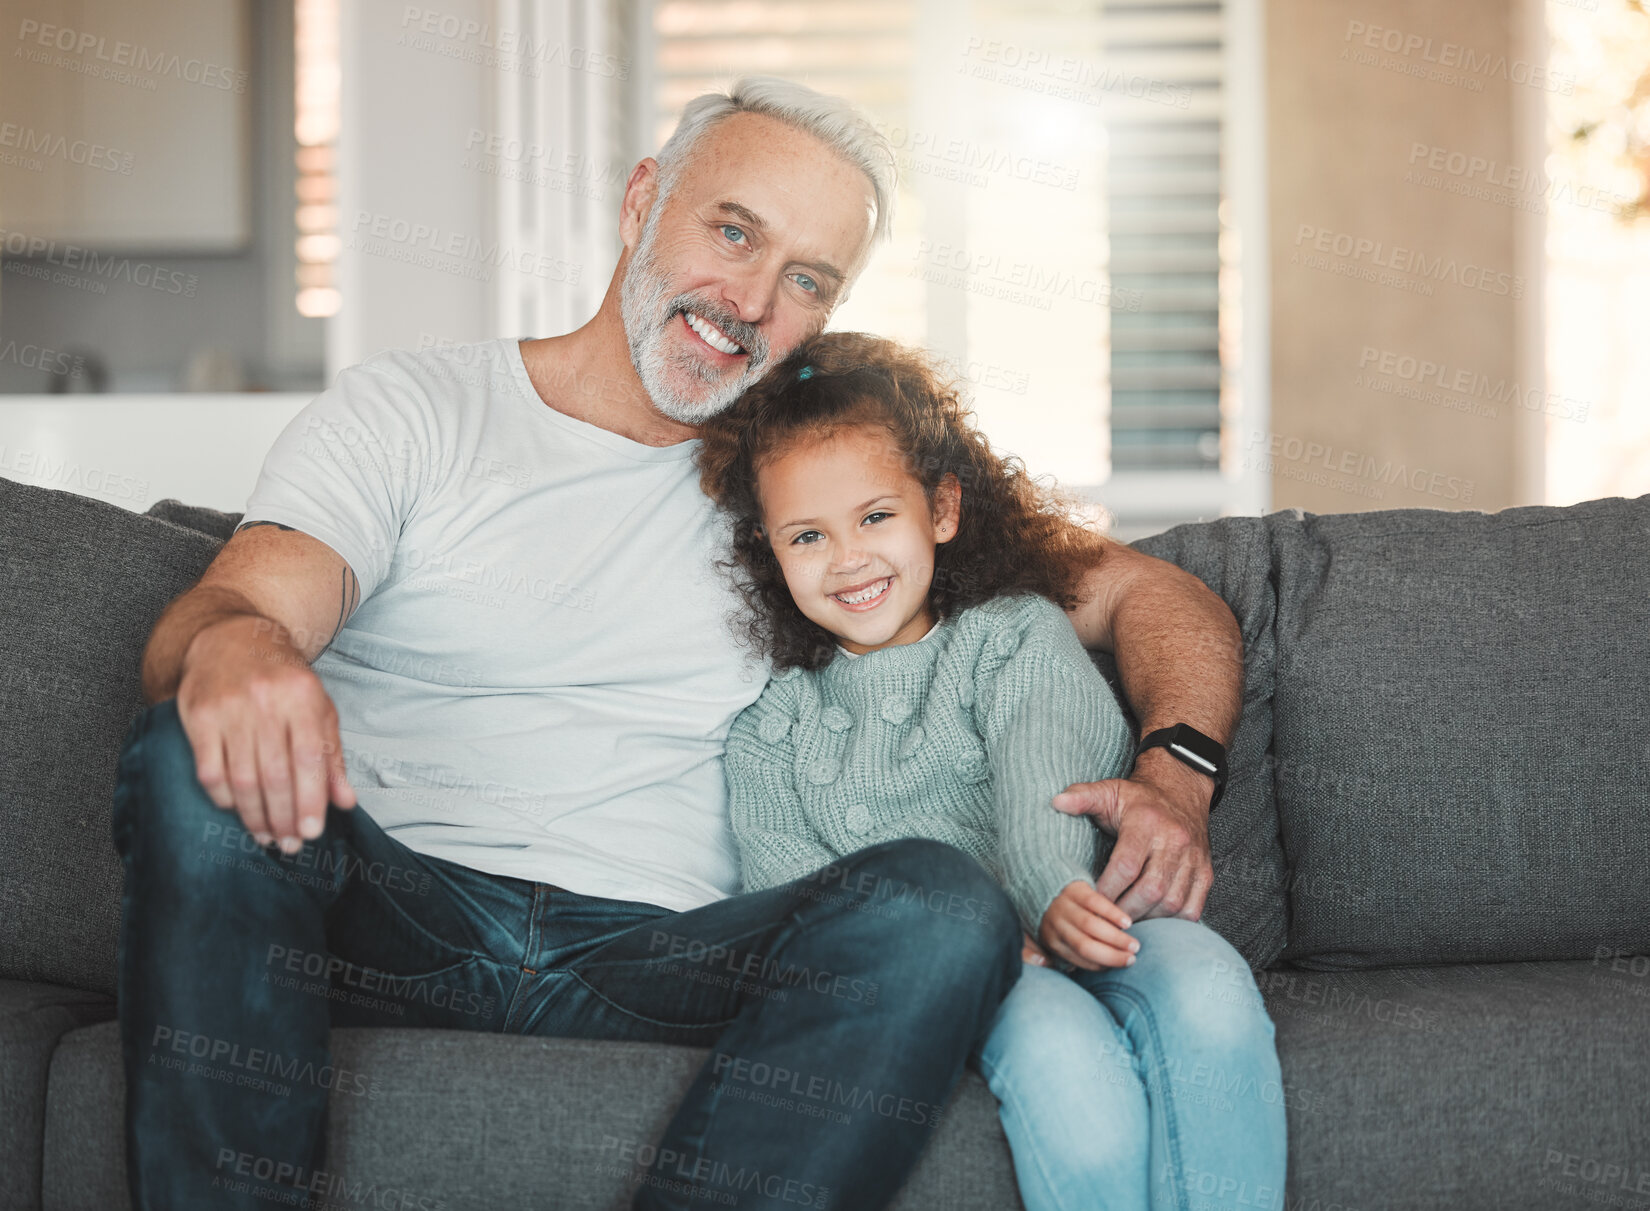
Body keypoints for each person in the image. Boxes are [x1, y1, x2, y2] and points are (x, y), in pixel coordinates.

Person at [115, 77, 1244, 1210]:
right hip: (391, 910)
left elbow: (1155, 596)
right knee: (186, 754)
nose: (750, 298)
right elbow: (229, 613)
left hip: (663, 957)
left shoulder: (816, 490)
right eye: (734, 230)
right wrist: (235, 649)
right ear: (643, 200)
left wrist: (1177, 770)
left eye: (806, 279)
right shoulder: (416, 410)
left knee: (943, 903)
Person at [696, 331, 1286, 1211]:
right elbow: (798, 904)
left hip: (1095, 908)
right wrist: (969, 951)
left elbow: (1041, 765)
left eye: (876, 516)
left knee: (1209, 986)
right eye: (808, 535)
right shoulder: (771, 733)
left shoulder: (1012, 630)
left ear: (941, 508)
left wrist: (1052, 887)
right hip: (983, 978)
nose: (849, 558)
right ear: (769, 552)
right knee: (1063, 1066)